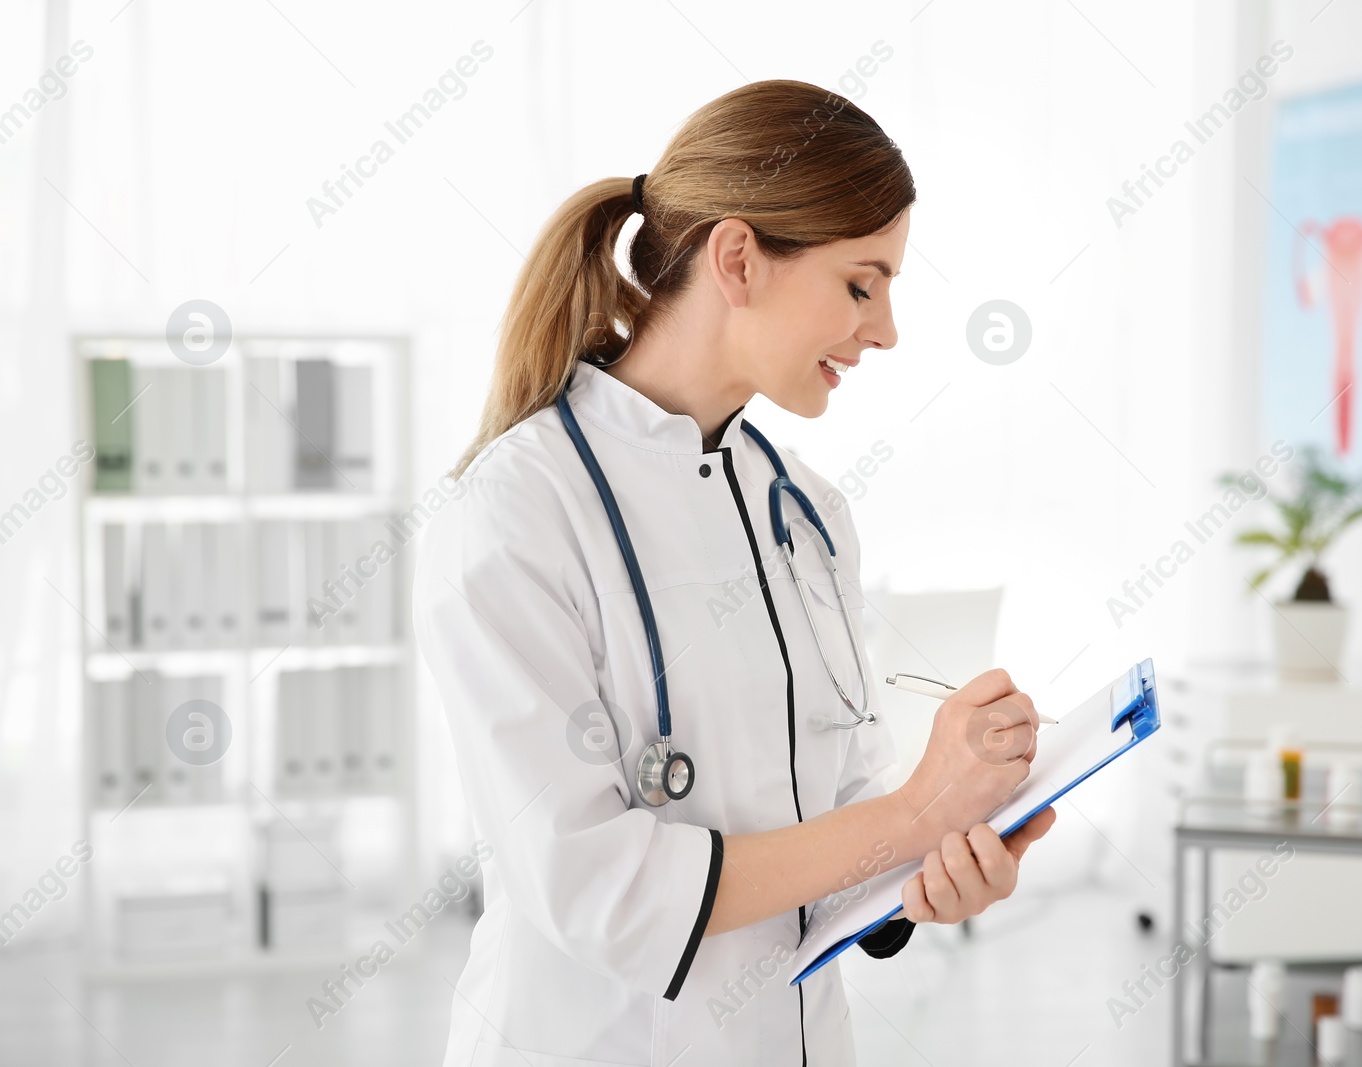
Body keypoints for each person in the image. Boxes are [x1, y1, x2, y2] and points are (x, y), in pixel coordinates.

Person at [414, 78, 1056, 1067]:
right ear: (738, 258)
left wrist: (935, 859)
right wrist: (910, 814)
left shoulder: (805, 512)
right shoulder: (517, 511)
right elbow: (595, 887)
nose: (885, 329)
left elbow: (841, 828)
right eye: (860, 282)